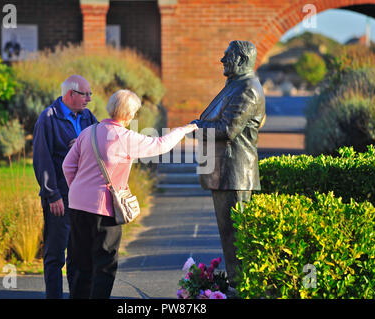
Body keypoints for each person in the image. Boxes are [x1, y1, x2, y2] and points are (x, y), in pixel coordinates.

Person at [62, 89, 198, 299]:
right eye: (134, 112)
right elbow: (160, 145)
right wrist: (182, 130)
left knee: (80, 262)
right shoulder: (125, 137)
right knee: (104, 264)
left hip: (77, 205)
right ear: (128, 115)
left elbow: (67, 165)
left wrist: (78, 189)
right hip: (104, 208)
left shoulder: (88, 131)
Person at [191, 40, 266, 290]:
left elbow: (227, 129)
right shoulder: (234, 86)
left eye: (227, 56)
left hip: (235, 174)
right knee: (229, 236)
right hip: (225, 172)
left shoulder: (247, 89)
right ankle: (236, 286)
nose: (222, 61)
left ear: (242, 60)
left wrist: (196, 128)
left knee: (236, 238)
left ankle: (240, 289)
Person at [32, 75, 98, 298]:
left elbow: (102, 141)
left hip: (84, 198)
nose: (89, 99)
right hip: (60, 198)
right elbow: (42, 160)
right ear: (71, 94)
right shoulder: (48, 118)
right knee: (55, 255)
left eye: (90, 94)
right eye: (85, 94)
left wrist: (83, 143)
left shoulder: (87, 116)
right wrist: (53, 196)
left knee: (78, 255)